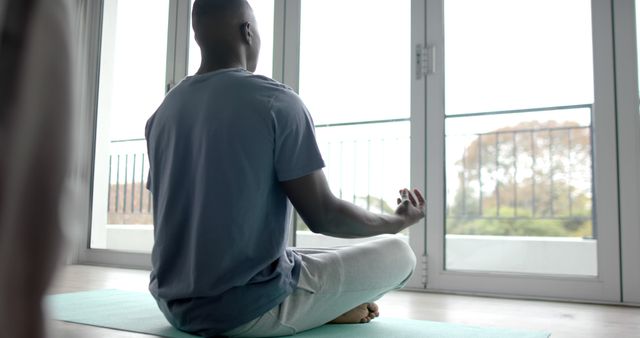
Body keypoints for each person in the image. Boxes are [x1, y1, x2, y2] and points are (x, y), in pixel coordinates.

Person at [145, 0, 426, 336]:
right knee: (399, 254)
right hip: (243, 314)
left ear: (197, 35)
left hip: (173, 306)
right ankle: (322, 308)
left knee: (291, 256)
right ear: (248, 30)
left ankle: (322, 303)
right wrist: (397, 221)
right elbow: (324, 215)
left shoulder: (163, 114)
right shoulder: (276, 101)